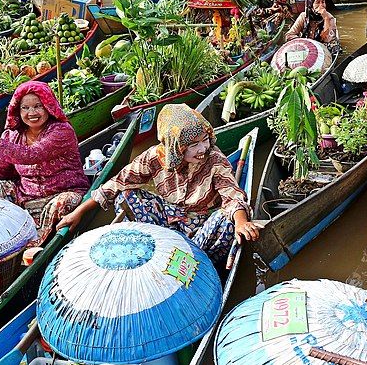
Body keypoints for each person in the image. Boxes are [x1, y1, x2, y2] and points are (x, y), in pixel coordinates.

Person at [57, 104, 260, 263]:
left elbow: (232, 194)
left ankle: (202, 264)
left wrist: (241, 222)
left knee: (227, 220)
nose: (203, 149)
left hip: (202, 227)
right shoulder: (156, 157)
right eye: (193, 145)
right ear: (175, 147)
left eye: (205, 140)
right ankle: (157, 249)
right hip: (170, 220)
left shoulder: (214, 159)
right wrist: (79, 212)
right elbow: (119, 182)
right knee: (126, 195)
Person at [0, 81, 89, 245]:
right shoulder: (12, 135)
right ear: (17, 111)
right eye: (25, 108)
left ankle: (32, 244)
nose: (32, 112)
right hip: (24, 195)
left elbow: (30, 155)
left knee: (65, 204)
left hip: (62, 193)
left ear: (48, 106)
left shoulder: (61, 131)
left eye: (38, 106)